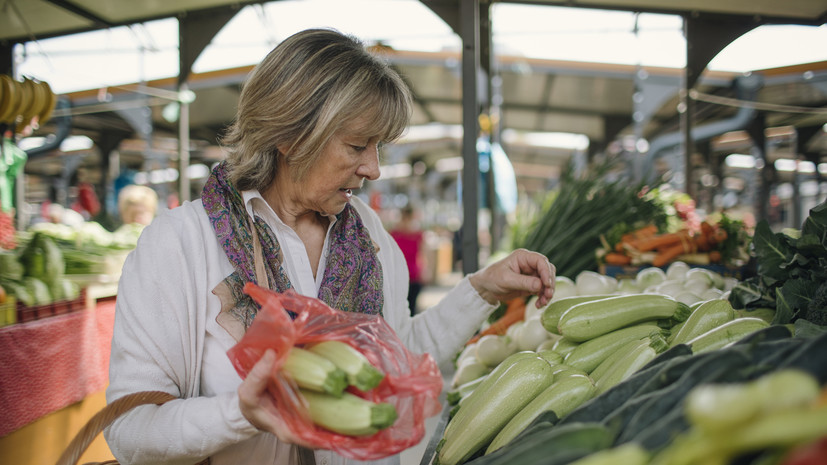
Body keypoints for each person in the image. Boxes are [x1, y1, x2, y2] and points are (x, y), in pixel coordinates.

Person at [105, 28, 555, 465]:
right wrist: (238, 414)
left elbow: (399, 354)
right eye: (358, 144)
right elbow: (129, 431)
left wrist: (481, 290)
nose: (374, 168)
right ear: (290, 135)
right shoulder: (180, 245)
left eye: (378, 147)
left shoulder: (368, 234)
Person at [390, 204, 426, 316]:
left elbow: (423, 255)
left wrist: (425, 270)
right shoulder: (394, 234)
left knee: (411, 307)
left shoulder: (417, 235)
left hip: (412, 275)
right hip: (399, 275)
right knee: (400, 308)